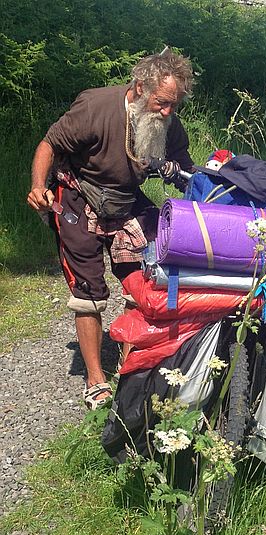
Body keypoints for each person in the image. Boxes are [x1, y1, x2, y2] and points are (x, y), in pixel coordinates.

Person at [27, 50, 194, 410]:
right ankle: (95, 379)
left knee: (149, 274)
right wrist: (38, 186)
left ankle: (130, 365)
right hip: (77, 197)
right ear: (139, 87)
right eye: (162, 103)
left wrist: (183, 176)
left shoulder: (168, 123)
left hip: (125, 199)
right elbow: (49, 144)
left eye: (174, 105)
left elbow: (186, 171)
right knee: (88, 290)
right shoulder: (96, 107)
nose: (167, 112)